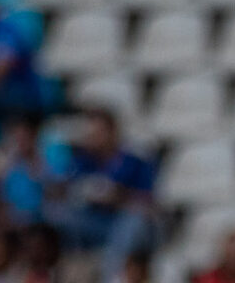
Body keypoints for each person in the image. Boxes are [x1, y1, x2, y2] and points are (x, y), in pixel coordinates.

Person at [55, 108, 159, 257]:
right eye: (90, 134)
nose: (93, 137)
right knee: (62, 215)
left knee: (132, 223)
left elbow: (148, 203)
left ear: (112, 132)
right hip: (94, 221)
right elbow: (66, 190)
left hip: (123, 222)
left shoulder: (135, 162)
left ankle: (115, 275)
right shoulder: (82, 161)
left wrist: (119, 197)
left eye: (98, 133)